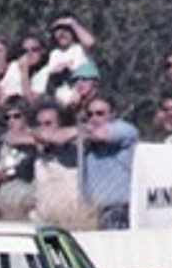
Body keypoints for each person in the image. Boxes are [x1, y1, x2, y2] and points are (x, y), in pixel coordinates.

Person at [80, 96, 139, 229]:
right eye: (90, 114)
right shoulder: (85, 136)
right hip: (93, 211)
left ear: (113, 114)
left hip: (119, 209)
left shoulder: (124, 129)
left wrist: (80, 132)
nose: (94, 118)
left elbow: (100, 136)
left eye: (100, 113)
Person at [29, 101, 83, 225]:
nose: (43, 128)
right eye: (39, 124)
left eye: (49, 123)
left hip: (72, 219)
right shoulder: (38, 154)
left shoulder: (76, 151)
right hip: (44, 221)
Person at [0, 96, 38, 220]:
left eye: (16, 116)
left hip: (28, 197)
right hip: (6, 197)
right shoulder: (4, 141)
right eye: (7, 117)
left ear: (26, 117)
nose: (11, 121)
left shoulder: (36, 136)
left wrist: (20, 140)